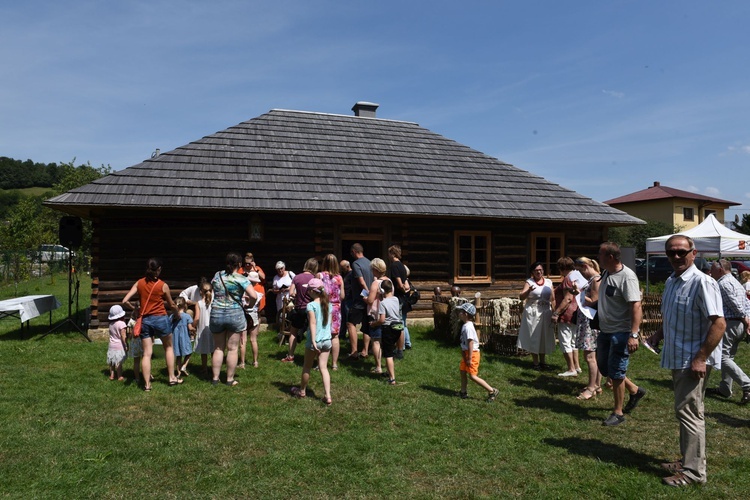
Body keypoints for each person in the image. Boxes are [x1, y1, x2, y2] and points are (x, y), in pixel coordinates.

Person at [645, 235, 725, 487]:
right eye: (671, 252)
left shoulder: (702, 282)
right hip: (678, 356)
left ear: (694, 252)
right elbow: (673, 317)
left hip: (693, 360)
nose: (676, 257)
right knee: (685, 411)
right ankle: (686, 460)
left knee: (690, 413)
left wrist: (701, 358)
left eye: (681, 252)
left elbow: (719, 323)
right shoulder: (672, 281)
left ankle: (694, 472)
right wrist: (658, 334)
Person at [596, 242, 646, 426]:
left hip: (621, 332)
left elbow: (636, 305)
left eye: (600, 255)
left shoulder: (627, 277)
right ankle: (635, 390)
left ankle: (618, 413)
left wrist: (634, 334)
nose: (598, 258)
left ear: (610, 257)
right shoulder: (607, 273)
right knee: (605, 368)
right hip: (605, 331)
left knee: (616, 371)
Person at [123, 257, 181, 391]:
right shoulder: (163, 285)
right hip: (160, 318)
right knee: (168, 348)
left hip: (145, 320)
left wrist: (135, 309)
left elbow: (125, 300)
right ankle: (172, 378)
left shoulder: (139, 283)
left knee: (147, 353)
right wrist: (177, 313)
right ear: (159, 269)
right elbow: (171, 304)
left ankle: (147, 384)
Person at [209, 252, 258, 386]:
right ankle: (229, 379)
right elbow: (253, 296)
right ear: (240, 264)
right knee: (232, 348)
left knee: (218, 347)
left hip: (217, 313)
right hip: (234, 314)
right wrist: (250, 305)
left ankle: (215, 378)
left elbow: (214, 288)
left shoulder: (217, 275)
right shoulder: (241, 279)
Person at [706, 259, 750, 403]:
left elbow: (736, 305)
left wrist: (744, 318)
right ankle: (725, 389)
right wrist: (746, 320)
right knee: (728, 357)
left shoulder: (723, 284)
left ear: (720, 270)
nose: (710, 273)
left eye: (712, 270)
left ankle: (747, 384)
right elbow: (746, 303)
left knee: (721, 357)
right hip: (739, 325)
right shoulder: (736, 282)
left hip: (731, 323)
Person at [290, 278, 333, 405]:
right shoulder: (328, 304)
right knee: (324, 368)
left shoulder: (311, 305)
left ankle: (302, 391)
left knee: (307, 367)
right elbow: (329, 323)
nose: (307, 291)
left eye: (308, 289)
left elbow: (312, 323)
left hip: (315, 340)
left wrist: (313, 341)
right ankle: (328, 395)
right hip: (327, 340)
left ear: (313, 292)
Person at [456, 302, 500, 402]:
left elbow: (471, 342)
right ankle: (463, 392)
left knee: (472, 376)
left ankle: (492, 390)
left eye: (460, 312)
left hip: (472, 354)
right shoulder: (466, 325)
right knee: (463, 371)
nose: (459, 313)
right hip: (466, 353)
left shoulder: (469, 327)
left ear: (466, 314)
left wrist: (470, 358)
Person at [573, 257, 602, 400]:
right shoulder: (592, 280)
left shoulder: (596, 280)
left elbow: (595, 302)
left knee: (590, 355)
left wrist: (580, 295)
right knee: (593, 355)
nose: (580, 275)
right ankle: (596, 384)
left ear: (585, 266)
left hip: (590, 321)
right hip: (587, 320)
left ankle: (591, 388)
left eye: (580, 271)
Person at [517, 262, 555, 370]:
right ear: (532, 272)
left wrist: (555, 311)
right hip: (533, 312)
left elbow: (552, 298)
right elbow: (521, 297)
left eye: (541, 270)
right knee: (534, 335)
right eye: (536, 270)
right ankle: (535, 362)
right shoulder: (529, 282)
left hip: (546, 311)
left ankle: (543, 361)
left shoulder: (548, 282)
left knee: (544, 336)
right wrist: (529, 291)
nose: (539, 272)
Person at [282, 258, 318, 362]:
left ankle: (290, 355)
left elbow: (291, 293)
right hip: (311, 309)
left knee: (293, 332)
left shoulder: (297, 277)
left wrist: (298, 294)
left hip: (299, 308)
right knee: (313, 333)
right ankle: (314, 358)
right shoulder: (314, 278)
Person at [551, 257, 581, 377]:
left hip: (567, 313)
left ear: (562, 268)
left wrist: (556, 313)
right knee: (573, 341)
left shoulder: (569, 278)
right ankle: (577, 366)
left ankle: (571, 368)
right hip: (577, 313)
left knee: (565, 341)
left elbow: (568, 298)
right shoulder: (578, 276)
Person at [372, 279, 402, 385]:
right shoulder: (396, 299)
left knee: (388, 354)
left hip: (388, 329)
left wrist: (374, 324)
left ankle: (392, 379)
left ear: (381, 290)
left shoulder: (383, 304)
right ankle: (389, 372)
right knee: (391, 350)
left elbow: (382, 320)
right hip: (397, 328)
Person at [346, 243, 373, 359]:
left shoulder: (356, 264)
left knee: (351, 323)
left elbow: (361, 282)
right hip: (369, 300)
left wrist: (367, 294)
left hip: (360, 300)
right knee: (367, 325)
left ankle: (354, 352)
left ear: (353, 251)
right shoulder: (370, 262)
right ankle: (365, 351)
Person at [318, 254, 344, 371]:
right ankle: (334, 364)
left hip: (324, 306)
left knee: (321, 334)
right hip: (336, 308)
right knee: (335, 336)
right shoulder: (339, 278)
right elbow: (342, 295)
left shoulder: (320, 275)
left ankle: (320, 363)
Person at [366, 258, 390, 371]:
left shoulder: (375, 283)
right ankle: (388, 363)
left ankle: (378, 366)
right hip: (388, 314)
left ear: (376, 269)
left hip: (376, 314)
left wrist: (364, 298)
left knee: (376, 341)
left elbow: (370, 300)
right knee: (386, 341)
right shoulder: (389, 282)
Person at [388, 244, 412, 350]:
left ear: (393, 254)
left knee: (400, 322)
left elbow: (399, 284)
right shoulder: (402, 265)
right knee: (403, 321)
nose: (388, 256)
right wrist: (406, 290)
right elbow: (406, 283)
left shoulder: (394, 266)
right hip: (404, 297)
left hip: (398, 298)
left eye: (389, 253)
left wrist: (402, 289)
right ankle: (407, 343)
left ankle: (401, 346)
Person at [241, 271, 263, 368]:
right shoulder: (258, 294)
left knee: (243, 340)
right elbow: (258, 307)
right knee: (254, 340)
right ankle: (255, 362)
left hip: (244, 316)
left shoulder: (242, 294)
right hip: (254, 316)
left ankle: (242, 363)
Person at [193, 281, 214, 377]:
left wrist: (193, 326)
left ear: (201, 291)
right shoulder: (214, 303)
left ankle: (204, 369)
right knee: (214, 350)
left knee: (204, 351)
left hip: (202, 330)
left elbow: (197, 318)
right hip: (213, 329)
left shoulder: (198, 303)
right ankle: (215, 368)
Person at [171, 297, 194, 378]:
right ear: (184, 306)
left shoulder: (172, 316)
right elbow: (190, 328)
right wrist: (194, 330)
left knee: (178, 356)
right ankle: (184, 366)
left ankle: (178, 373)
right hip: (185, 338)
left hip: (175, 339)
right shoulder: (187, 316)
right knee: (189, 352)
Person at [107, 305, 128, 381]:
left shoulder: (111, 324)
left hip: (111, 345)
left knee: (112, 362)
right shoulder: (121, 324)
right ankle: (119, 376)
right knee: (118, 362)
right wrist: (126, 344)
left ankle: (112, 375)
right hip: (119, 345)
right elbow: (123, 335)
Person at [272, 261, 295, 330]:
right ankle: (283, 329)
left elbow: (297, 283)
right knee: (282, 314)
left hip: (290, 296)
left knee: (291, 312)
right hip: (280, 298)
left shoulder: (290, 274)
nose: (280, 270)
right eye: (278, 269)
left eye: (281, 268)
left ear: (284, 267)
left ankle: (292, 329)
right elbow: (274, 290)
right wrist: (279, 291)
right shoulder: (276, 277)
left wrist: (289, 288)